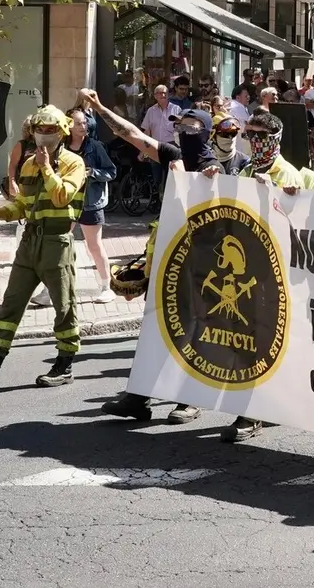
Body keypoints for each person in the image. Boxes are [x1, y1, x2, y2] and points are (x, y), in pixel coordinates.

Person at [91, 94, 222, 424]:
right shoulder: (173, 155)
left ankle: (189, 398)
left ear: (205, 133)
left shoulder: (213, 168)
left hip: (200, 265)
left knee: (194, 331)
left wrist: (196, 181)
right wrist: (101, 107)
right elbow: (132, 135)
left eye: (193, 128)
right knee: (154, 328)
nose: (184, 133)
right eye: (180, 127)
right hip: (168, 259)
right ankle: (139, 396)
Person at [211, 110, 314, 443]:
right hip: (247, 267)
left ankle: (254, 413)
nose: (253, 142)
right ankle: (270, 404)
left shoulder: (286, 174)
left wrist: (273, 195)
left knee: (264, 342)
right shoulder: (246, 168)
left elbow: (296, 221)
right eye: (250, 136)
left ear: (275, 139)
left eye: (260, 136)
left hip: (275, 271)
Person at [0, 106, 87, 387]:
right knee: (11, 303)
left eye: (50, 129)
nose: (44, 135)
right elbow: (23, 206)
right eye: (39, 129)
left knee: (63, 306)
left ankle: (65, 363)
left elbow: (61, 197)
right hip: (30, 241)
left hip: (57, 243)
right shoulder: (28, 164)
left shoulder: (73, 163)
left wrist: (46, 167)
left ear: (62, 132)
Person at [66, 108, 116, 304]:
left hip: (90, 202)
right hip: (66, 201)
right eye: (78, 123)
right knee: (60, 245)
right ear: (68, 125)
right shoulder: (61, 147)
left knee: (94, 245)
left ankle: (106, 287)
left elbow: (111, 172)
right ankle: (51, 288)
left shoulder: (95, 146)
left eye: (85, 123)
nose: (83, 126)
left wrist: (92, 172)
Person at [140, 85, 181, 196]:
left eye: (164, 93)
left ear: (168, 95)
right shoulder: (150, 111)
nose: (162, 95)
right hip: (156, 146)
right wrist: (143, 151)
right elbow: (147, 132)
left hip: (172, 146)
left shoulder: (176, 109)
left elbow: (181, 130)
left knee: (171, 176)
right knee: (156, 176)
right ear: (155, 96)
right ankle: (156, 199)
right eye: (159, 93)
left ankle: (168, 199)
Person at [1, 115, 35, 202]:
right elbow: (13, 164)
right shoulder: (22, 145)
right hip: (23, 186)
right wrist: (12, 182)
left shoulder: (47, 144)